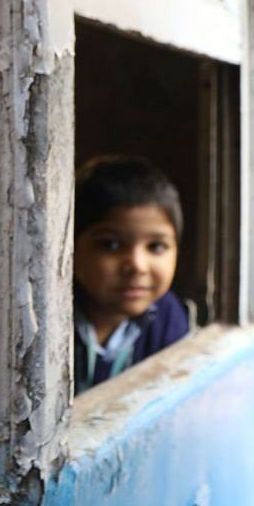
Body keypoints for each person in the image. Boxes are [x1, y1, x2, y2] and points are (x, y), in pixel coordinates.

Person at [73, 156, 191, 394]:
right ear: (69, 248)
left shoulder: (167, 316)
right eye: (111, 245)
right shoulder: (48, 321)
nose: (137, 265)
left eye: (156, 247)